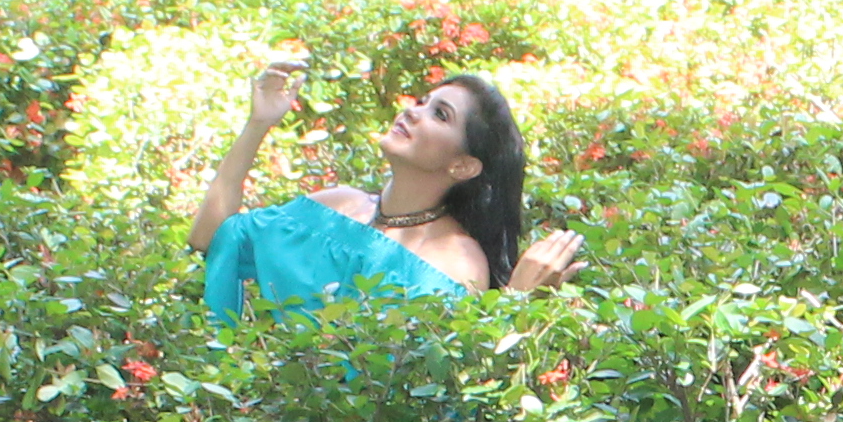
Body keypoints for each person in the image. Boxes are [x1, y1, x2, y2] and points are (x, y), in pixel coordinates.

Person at [188, 50, 582, 323]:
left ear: (462, 166)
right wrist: (258, 124)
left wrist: (517, 303)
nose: (413, 111)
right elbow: (212, 238)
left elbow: (433, 384)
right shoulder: (337, 204)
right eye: (422, 100)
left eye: (440, 115)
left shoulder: (457, 260)